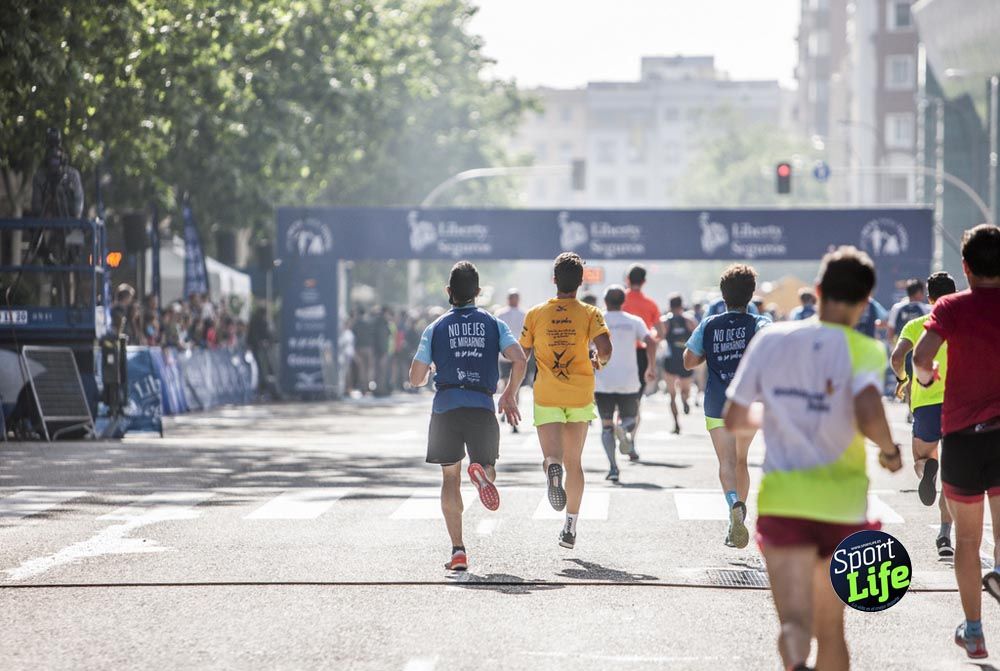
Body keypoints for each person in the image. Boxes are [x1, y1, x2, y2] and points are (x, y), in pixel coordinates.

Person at [724, 246, 902, 671]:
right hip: (842, 505)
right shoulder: (864, 350)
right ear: (864, 303)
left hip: (784, 501)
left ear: (817, 290)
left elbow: (734, 417)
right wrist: (891, 451)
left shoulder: (771, 339)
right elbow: (867, 410)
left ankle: (796, 661)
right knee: (832, 628)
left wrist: (778, 411)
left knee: (794, 624)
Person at [914, 224, 1000, 660]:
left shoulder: (949, 306)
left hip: (963, 438)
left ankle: (974, 631)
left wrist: (927, 378)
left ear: (965, 267)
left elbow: (921, 358)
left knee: (968, 540)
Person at [409, 261, 527, 572]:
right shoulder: (493, 324)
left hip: (446, 406)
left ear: (449, 292)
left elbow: (416, 377)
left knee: (450, 478)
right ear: (477, 292)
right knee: (487, 465)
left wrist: (433, 365)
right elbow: (520, 358)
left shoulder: (435, 328)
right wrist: (510, 393)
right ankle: (483, 474)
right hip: (481, 405)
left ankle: (458, 550)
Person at [520, 253, 611, 550]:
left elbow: (522, 351)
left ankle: (551, 469)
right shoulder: (590, 313)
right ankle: (570, 526)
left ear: (554, 280)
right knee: (576, 462)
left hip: (547, 393)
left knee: (552, 457)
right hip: (580, 394)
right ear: (581, 282)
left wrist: (509, 388)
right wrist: (599, 359)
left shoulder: (535, 313)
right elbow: (606, 348)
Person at [683, 265, 771, 547]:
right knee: (742, 460)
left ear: (723, 294)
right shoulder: (760, 323)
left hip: (716, 402)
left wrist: (711, 352)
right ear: (751, 294)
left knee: (726, 462)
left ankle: (732, 501)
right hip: (747, 403)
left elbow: (688, 360)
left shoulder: (708, 323)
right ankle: (740, 514)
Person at [891, 272, 957, 559]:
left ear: (929, 298)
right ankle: (944, 534)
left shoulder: (917, 324)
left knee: (924, 460)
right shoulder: (963, 323)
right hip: (960, 404)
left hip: (926, 404)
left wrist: (903, 379)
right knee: (954, 475)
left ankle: (928, 470)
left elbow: (896, 358)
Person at [595, 285, 657, 480]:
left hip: (603, 381)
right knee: (630, 418)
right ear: (623, 302)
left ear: (605, 302)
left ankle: (613, 468)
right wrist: (651, 367)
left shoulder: (596, 319)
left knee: (606, 426)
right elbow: (651, 341)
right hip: (629, 380)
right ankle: (623, 428)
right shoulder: (634, 321)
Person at [622, 265, 660, 440]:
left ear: (627, 279)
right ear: (644, 282)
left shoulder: (616, 300)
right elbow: (661, 332)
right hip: (641, 355)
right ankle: (631, 440)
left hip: (619, 354)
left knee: (618, 396)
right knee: (636, 400)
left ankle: (620, 427)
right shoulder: (650, 304)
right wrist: (650, 336)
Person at [660, 294, 698, 435]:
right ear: (681, 305)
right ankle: (684, 404)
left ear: (670, 306)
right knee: (684, 390)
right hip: (684, 360)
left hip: (672, 361)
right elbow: (697, 337)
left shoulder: (667, 321)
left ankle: (677, 421)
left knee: (672, 394)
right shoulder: (688, 320)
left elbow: (658, 337)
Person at [495, 289, 526, 433]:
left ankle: (508, 409)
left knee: (510, 384)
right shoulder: (522, 315)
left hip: (507, 354)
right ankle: (507, 406)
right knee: (512, 384)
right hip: (516, 355)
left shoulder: (502, 314)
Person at [887, 278, 931, 343]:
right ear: (918, 292)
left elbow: (890, 331)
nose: (924, 294)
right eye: (923, 291)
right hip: (919, 350)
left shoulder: (896, 307)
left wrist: (893, 348)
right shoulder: (927, 309)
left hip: (901, 349)